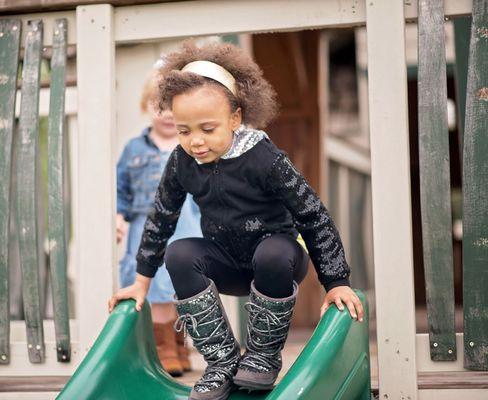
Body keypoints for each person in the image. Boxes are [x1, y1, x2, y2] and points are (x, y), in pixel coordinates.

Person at [109, 41, 364, 400]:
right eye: (184, 130)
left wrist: (336, 282)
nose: (195, 141)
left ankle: (262, 355)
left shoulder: (264, 158)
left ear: (235, 117)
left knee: (273, 252)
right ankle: (222, 361)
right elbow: (161, 218)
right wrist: (141, 283)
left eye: (208, 129)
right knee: (179, 253)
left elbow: (313, 216)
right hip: (226, 261)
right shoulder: (182, 162)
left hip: (277, 261)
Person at [116, 70, 202, 377]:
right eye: (158, 106)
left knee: (182, 290)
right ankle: (163, 348)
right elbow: (121, 188)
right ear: (145, 107)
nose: (166, 114)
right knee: (154, 287)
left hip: (186, 225)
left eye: (172, 108)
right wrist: (118, 216)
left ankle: (179, 344)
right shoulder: (133, 149)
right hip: (145, 228)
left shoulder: (191, 148)